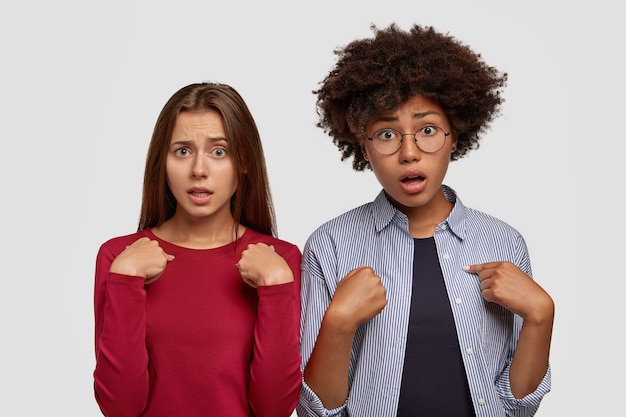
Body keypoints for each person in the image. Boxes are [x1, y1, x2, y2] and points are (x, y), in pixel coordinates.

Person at [297, 24, 554, 417]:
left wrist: (541, 316)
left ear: (455, 135)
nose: (410, 153)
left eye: (428, 130)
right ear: (362, 145)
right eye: (386, 134)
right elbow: (317, 412)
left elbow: (515, 410)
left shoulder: (504, 243)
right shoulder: (329, 246)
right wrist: (338, 322)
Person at [93, 82, 301, 417]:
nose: (199, 170)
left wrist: (276, 285)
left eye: (219, 152)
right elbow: (120, 408)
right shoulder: (118, 257)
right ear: (162, 161)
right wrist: (126, 279)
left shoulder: (281, 260)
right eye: (183, 151)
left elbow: (274, 409)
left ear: (244, 162)